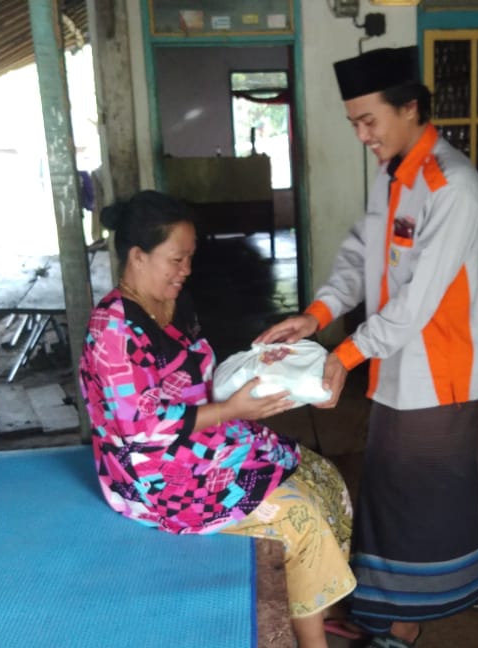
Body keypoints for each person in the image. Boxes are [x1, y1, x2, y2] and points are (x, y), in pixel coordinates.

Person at [255, 45, 478, 647]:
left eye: (369, 120)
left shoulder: (452, 186)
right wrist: (317, 315)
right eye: (354, 124)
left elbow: (418, 301)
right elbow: (361, 253)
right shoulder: (397, 174)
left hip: (439, 368)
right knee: (445, 481)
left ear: (409, 107)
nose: (363, 135)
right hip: (399, 360)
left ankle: (401, 620)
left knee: (409, 491)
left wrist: (344, 356)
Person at [77, 190, 355, 648]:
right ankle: (311, 638)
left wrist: (263, 366)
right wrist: (231, 410)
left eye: (190, 258)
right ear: (138, 256)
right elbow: (139, 429)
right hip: (155, 475)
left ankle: (314, 602)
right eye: (176, 259)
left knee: (321, 476)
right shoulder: (113, 330)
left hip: (206, 435)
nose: (186, 270)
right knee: (298, 515)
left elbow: (203, 375)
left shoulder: (173, 303)